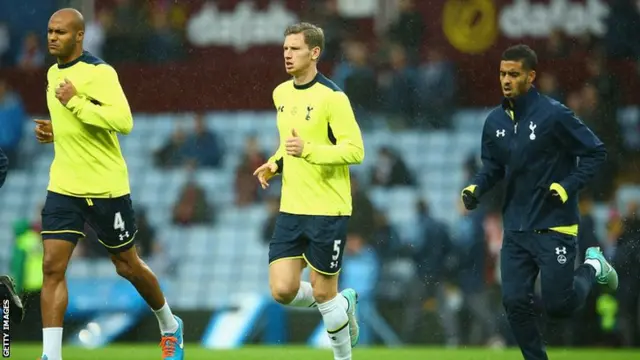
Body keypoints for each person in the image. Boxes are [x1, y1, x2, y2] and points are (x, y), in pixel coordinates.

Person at [34, 9, 183, 360]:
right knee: (52, 266)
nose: (52, 37)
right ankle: (50, 355)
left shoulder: (100, 73)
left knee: (127, 265)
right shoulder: (53, 73)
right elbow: (78, 123)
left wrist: (76, 102)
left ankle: (169, 324)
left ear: (79, 36)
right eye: (50, 31)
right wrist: (58, 131)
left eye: (60, 32)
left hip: (106, 187)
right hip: (64, 185)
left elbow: (122, 120)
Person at [460, 44, 617, 360]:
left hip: (554, 223)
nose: (506, 79)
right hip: (516, 228)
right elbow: (492, 167)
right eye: (502, 73)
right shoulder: (494, 122)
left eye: (513, 74)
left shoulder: (555, 115)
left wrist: (568, 185)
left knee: (559, 305)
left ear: (531, 76)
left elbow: (595, 151)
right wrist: (475, 187)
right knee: (514, 302)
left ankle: (593, 265)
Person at [253, 22, 364, 360]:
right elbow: (289, 144)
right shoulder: (280, 94)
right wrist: (275, 163)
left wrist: (310, 151)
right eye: (285, 48)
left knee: (323, 292)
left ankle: (343, 356)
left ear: (315, 53)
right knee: (282, 290)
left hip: (328, 209)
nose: (287, 55)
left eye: (295, 49)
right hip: (291, 208)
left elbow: (355, 151)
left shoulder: (333, 98)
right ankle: (342, 302)